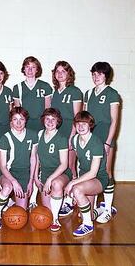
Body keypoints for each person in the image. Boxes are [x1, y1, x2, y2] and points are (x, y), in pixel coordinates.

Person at [13, 56, 52, 209]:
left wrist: (47, 128)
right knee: (28, 159)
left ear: (37, 69)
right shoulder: (18, 88)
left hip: (41, 127)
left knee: (40, 160)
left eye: (33, 67)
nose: (30, 70)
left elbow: (48, 110)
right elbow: (17, 111)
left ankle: (35, 194)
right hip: (26, 128)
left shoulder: (45, 86)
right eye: (27, 67)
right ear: (23, 69)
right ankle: (27, 191)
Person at [0, 107, 38, 230]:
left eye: (21, 119)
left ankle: (5, 202)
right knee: (8, 187)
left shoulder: (33, 135)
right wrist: (14, 181)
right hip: (8, 173)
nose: (18, 123)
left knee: (21, 213)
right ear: (10, 121)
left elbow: (33, 158)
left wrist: (31, 181)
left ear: (26, 120)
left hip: (25, 174)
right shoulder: (5, 138)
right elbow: (3, 166)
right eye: (15, 119)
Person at [84, 62, 120, 223]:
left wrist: (107, 143)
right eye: (93, 74)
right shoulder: (88, 94)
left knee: (106, 172)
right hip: (91, 140)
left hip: (105, 139)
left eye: (99, 74)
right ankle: (94, 207)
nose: (96, 77)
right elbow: (84, 120)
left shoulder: (112, 94)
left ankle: (107, 209)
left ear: (106, 76)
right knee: (92, 172)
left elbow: (114, 121)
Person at [64, 111, 109, 237]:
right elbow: (79, 163)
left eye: (84, 123)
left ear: (90, 125)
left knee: (77, 190)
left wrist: (73, 182)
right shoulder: (74, 140)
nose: (81, 126)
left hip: (98, 178)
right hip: (85, 178)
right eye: (78, 123)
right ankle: (103, 209)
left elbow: (93, 172)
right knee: (85, 213)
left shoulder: (96, 143)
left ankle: (88, 225)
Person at [51, 60, 83, 216]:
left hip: (69, 133)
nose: (60, 73)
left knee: (70, 167)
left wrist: (72, 137)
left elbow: (77, 117)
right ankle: (62, 196)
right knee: (60, 166)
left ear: (69, 73)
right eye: (57, 71)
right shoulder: (55, 92)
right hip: (57, 135)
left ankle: (70, 200)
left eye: (63, 71)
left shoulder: (75, 92)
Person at [34, 108, 72, 232]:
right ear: (43, 120)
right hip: (44, 173)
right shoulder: (39, 134)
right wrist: (36, 177)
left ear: (58, 121)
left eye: (53, 119)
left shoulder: (61, 138)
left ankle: (56, 219)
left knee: (56, 184)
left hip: (61, 173)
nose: (50, 122)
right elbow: (36, 158)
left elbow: (64, 164)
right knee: (47, 211)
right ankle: (61, 200)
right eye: (47, 119)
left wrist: (50, 179)